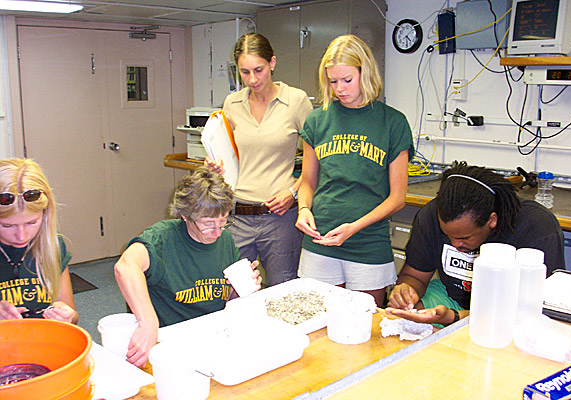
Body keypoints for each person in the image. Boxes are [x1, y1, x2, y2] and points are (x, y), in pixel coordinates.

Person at [295, 35, 415, 307]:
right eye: (333, 81)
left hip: (367, 242)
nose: (339, 89)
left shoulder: (393, 123)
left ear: (366, 72)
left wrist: (354, 228)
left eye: (347, 80)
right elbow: (307, 182)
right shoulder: (317, 120)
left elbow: (397, 198)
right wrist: (303, 209)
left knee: (364, 328)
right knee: (318, 324)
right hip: (320, 239)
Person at [114, 167, 261, 367]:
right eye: (208, 224)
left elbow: (226, 300)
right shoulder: (162, 239)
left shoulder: (224, 239)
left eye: (223, 221)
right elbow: (125, 267)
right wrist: (148, 323)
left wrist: (240, 290)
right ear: (185, 216)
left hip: (213, 338)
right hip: (171, 344)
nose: (217, 232)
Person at [387, 161, 565, 326]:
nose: (455, 244)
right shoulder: (432, 215)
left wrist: (455, 317)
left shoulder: (536, 227)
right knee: (403, 317)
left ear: (492, 220)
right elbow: (416, 276)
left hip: (510, 314)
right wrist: (405, 292)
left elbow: (534, 312)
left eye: (464, 238)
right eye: (447, 235)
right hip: (451, 298)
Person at [204, 33, 313, 287]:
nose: (252, 80)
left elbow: (316, 162)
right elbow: (227, 156)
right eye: (244, 72)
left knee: (284, 291)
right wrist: (214, 167)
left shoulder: (296, 101)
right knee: (237, 293)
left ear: (272, 63)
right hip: (237, 215)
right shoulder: (232, 103)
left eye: (259, 70)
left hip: (280, 216)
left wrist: (293, 192)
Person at [0, 158, 78, 323]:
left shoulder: (52, 245)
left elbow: (72, 315)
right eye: (7, 225)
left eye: (31, 222)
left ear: (45, 215)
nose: (22, 236)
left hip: (42, 340)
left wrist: (67, 316)